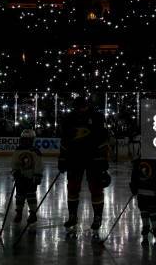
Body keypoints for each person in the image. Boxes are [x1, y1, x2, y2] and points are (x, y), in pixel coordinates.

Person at [58, 96, 110, 240]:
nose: (81, 109)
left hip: (94, 160)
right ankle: (72, 216)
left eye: (83, 106)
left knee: (96, 188)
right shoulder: (69, 119)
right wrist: (62, 159)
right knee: (73, 188)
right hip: (75, 159)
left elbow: (103, 140)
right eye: (79, 107)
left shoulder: (97, 117)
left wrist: (103, 161)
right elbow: (65, 140)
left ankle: (97, 217)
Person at [130, 155, 156, 246]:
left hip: (142, 197)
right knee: (154, 218)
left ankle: (145, 239)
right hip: (153, 197)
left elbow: (133, 180)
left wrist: (134, 189)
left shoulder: (137, 163)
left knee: (145, 219)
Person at [11, 129, 43, 224]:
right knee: (19, 195)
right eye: (24, 140)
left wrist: (37, 175)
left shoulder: (35, 152)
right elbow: (14, 163)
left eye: (28, 140)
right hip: (20, 177)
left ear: (32, 140)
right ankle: (19, 213)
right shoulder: (18, 150)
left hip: (31, 178)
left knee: (31, 195)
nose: (26, 142)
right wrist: (15, 172)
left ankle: (33, 213)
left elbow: (39, 165)